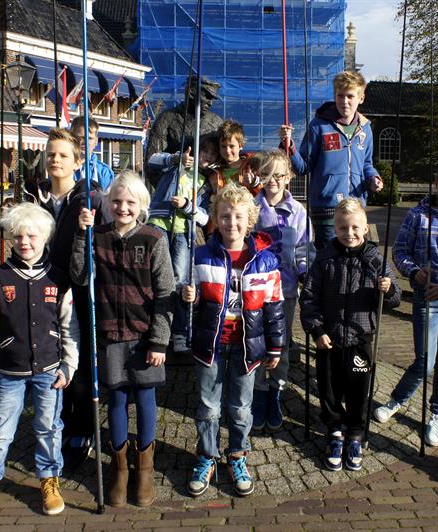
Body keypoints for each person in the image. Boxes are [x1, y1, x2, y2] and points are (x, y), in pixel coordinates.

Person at [0, 202, 79, 523]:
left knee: (49, 428)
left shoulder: (58, 279)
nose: (25, 242)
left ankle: (49, 479)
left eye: (32, 236)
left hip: (49, 370)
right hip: (10, 371)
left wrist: (69, 366)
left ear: (45, 238)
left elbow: (70, 327)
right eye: (19, 236)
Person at [71, 171, 175, 507]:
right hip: (110, 334)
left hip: (145, 336)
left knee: (145, 398)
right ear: (107, 204)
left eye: (130, 202)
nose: (123, 207)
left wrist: (159, 341)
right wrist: (81, 234)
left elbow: (166, 292)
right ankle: (120, 469)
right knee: (116, 400)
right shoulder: (97, 236)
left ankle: (144, 468)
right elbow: (79, 275)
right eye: (116, 201)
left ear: (142, 204)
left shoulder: (154, 238)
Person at [181, 184, 284, 497]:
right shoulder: (201, 256)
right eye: (225, 216)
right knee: (208, 407)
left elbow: (274, 306)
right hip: (211, 345)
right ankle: (207, 455)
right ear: (215, 218)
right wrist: (189, 298)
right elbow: (191, 305)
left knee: (240, 408)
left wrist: (275, 346)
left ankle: (237, 454)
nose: (231, 223)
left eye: (238, 216)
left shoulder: (265, 261)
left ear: (249, 219)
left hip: (246, 347)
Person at [373, 159, 438, 448]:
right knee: (425, 361)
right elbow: (400, 251)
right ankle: (397, 399)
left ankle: (436, 413)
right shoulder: (418, 215)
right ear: (436, 183)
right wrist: (413, 272)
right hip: (425, 297)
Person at [300, 198, 400, 472]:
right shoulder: (324, 258)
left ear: (366, 228)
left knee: (358, 391)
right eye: (343, 228)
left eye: (355, 227)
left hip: (360, 338)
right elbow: (309, 298)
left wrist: (389, 289)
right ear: (335, 228)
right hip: (329, 340)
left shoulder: (376, 260)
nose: (349, 233)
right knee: (329, 390)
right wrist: (316, 330)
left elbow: (394, 300)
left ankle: (356, 432)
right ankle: (335, 430)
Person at [28, 128, 106, 466]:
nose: (55, 160)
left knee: (82, 360)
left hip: (79, 291)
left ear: (77, 161)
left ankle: (82, 426)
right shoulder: (36, 196)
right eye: (50, 154)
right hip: (45, 290)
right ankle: (56, 422)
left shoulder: (90, 198)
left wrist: (90, 227)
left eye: (62, 155)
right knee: (49, 357)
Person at [279, 70, 383, 249]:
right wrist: (289, 146)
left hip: (355, 209)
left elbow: (367, 164)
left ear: (361, 98)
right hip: (326, 210)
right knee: (328, 259)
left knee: (353, 260)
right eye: (340, 96)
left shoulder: (366, 128)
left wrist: (373, 178)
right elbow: (303, 167)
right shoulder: (318, 126)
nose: (344, 101)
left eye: (350, 96)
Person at [250, 149, 314, 431]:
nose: (272, 180)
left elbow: (304, 249)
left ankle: (276, 390)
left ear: (288, 177)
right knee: (257, 342)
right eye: (266, 174)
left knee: (281, 345)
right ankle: (259, 391)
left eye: (278, 175)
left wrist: (305, 273)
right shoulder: (252, 208)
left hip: (285, 291)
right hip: (256, 291)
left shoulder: (298, 212)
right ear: (259, 176)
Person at [148, 134, 217, 354]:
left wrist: (187, 206)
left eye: (212, 154)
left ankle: (178, 330)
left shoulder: (205, 184)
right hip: (159, 224)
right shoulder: (175, 166)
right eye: (204, 151)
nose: (208, 156)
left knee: (180, 280)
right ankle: (154, 328)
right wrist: (176, 159)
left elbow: (205, 217)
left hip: (183, 232)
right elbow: (152, 161)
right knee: (155, 276)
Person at [146, 75, 224, 186]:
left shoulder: (217, 123)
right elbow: (151, 163)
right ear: (191, 92)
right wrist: (169, 189)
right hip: (174, 189)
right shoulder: (166, 119)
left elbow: (225, 163)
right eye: (207, 96)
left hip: (205, 191)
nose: (210, 103)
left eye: (212, 99)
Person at [209, 120, 261, 195]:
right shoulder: (215, 174)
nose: (227, 151)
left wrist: (254, 182)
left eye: (231, 146)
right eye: (223, 146)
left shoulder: (252, 168)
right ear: (219, 148)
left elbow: (265, 195)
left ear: (241, 146)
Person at [71, 115, 115, 191]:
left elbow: (108, 197)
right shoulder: (63, 166)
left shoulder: (104, 172)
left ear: (96, 142)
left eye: (90, 138)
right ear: (72, 139)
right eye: (80, 138)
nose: (85, 142)